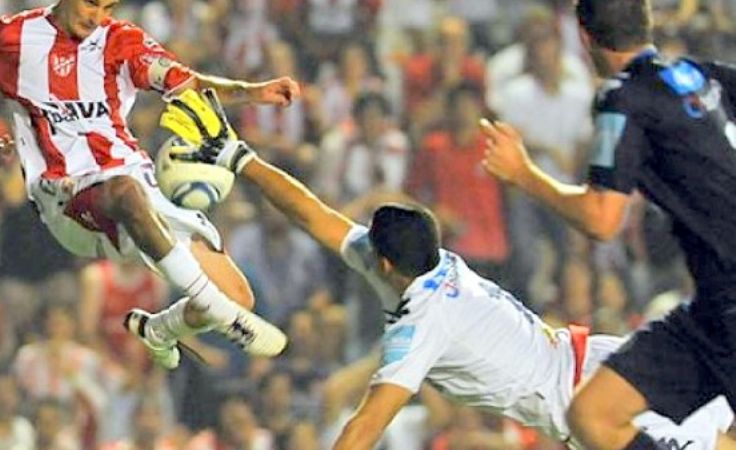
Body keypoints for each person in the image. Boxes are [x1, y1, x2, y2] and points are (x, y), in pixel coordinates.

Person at [158, 89, 736, 450]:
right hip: (595, 360)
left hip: (579, 400)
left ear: (382, 263)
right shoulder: (433, 262)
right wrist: (240, 157)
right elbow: (316, 215)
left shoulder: (419, 323)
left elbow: (365, 425)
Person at [0, 0, 300, 369]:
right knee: (125, 192)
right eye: (92, 3)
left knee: (239, 295)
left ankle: (160, 329)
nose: (97, 16)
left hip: (134, 179)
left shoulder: (121, 41)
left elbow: (185, 81)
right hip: (63, 192)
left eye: (107, 7)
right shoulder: (10, 36)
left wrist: (252, 91)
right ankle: (214, 306)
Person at [480, 0, 736, 449]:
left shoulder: (623, 97)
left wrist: (524, 175)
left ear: (583, 37)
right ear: (647, 22)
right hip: (712, 310)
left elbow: (601, 219)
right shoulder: (703, 75)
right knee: (592, 414)